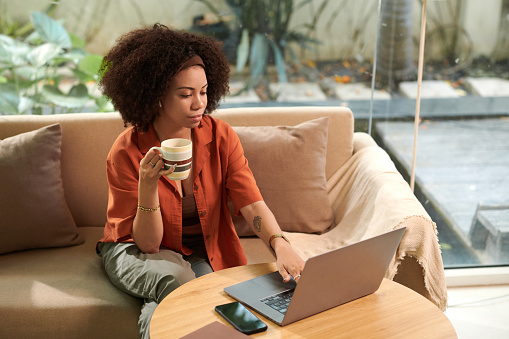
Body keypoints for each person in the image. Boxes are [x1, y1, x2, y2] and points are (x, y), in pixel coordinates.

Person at [96, 24, 305, 338]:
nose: (199, 103)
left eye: (204, 91)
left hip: (195, 252)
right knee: (176, 280)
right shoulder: (127, 151)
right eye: (185, 94)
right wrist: (148, 185)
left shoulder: (220, 137)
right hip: (132, 249)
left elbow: (251, 202)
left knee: (208, 297)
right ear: (156, 97)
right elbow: (149, 244)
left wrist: (280, 245)